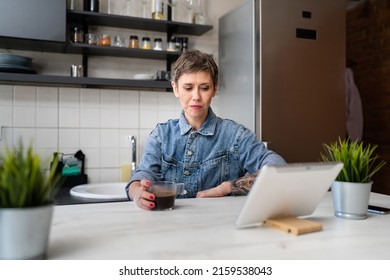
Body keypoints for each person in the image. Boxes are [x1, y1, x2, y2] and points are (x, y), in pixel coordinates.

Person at [126, 49, 286, 210]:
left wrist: (227, 187)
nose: (196, 96)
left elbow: (278, 167)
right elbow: (141, 177)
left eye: (204, 88)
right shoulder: (160, 136)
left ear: (215, 88)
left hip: (220, 228)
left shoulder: (236, 135)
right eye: (188, 88)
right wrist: (137, 192)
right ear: (175, 89)